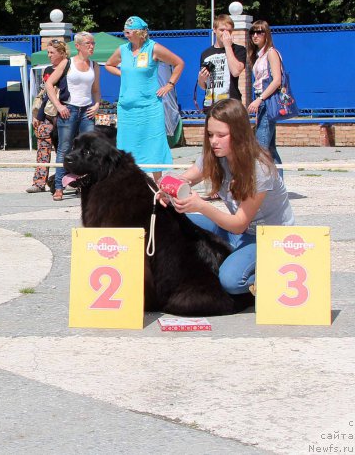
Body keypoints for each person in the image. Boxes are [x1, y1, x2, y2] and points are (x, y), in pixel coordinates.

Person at [165, 99, 294, 296]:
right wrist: (168, 188)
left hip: (268, 236)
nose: (213, 141)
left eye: (221, 135)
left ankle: (273, 275)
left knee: (231, 282)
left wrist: (201, 206)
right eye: (210, 134)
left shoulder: (259, 168)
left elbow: (239, 223)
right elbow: (187, 178)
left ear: (239, 133)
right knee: (176, 219)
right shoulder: (215, 155)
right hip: (237, 231)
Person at [105, 16, 184, 182]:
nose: (126, 34)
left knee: (154, 143)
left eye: (129, 31)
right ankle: (128, 182)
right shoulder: (122, 49)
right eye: (125, 31)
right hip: (127, 107)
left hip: (150, 106)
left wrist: (169, 85)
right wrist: (123, 74)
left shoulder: (153, 48)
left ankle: (158, 184)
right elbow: (109, 65)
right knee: (127, 144)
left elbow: (179, 63)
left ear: (139, 32)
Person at [46, 32, 102, 200]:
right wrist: (59, 105)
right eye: (88, 43)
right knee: (64, 148)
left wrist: (97, 105)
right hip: (69, 109)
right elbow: (49, 84)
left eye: (93, 43)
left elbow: (96, 90)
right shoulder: (67, 62)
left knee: (88, 149)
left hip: (87, 111)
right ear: (78, 46)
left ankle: (84, 185)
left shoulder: (94, 65)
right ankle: (58, 187)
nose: (91, 46)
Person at [26, 39, 67, 193]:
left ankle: (66, 181)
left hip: (65, 115)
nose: (49, 55)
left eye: (52, 52)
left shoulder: (70, 68)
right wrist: (38, 116)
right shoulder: (48, 70)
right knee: (43, 149)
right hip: (48, 115)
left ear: (61, 53)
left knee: (65, 151)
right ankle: (39, 183)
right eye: (48, 52)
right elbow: (45, 96)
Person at [247, 20, 283, 171]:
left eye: (259, 32)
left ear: (266, 34)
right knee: (270, 148)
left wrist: (259, 99)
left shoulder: (271, 53)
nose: (255, 35)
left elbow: (277, 80)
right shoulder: (258, 55)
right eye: (252, 32)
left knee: (260, 147)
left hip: (267, 101)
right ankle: (279, 182)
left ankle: (260, 182)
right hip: (262, 101)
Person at [198, 14, 246, 112]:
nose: (225, 33)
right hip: (211, 104)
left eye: (229, 31)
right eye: (222, 30)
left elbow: (236, 72)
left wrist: (227, 46)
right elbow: (204, 86)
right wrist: (201, 79)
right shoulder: (206, 54)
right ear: (214, 30)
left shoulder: (238, 50)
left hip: (230, 104)